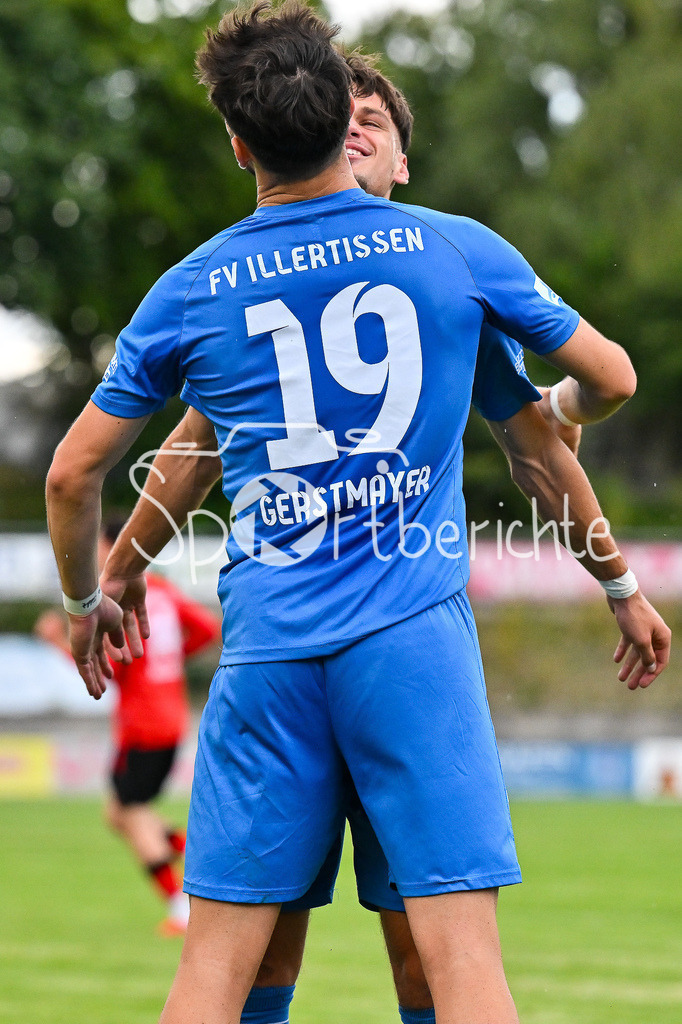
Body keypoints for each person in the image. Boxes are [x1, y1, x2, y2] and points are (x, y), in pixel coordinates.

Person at [45, 4, 671, 1023]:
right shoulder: (455, 257)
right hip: (409, 653)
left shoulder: (203, 288)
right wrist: (570, 430)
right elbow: (591, 397)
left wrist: (96, 588)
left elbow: (93, 471)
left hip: (270, 654)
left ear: (239, 142)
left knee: (219, 968)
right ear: (341, 122)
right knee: (456, 965)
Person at [37, 516, 221, 936]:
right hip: (169, 718)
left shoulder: (116, 599)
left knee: (131, 813)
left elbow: (106, 668)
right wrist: (170, 660)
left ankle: (183, 905)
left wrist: (58, 643)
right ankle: (193, 857)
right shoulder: (161, 591)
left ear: (110, 547)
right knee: (118, 814)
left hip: (143, 726)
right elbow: (209, 629)